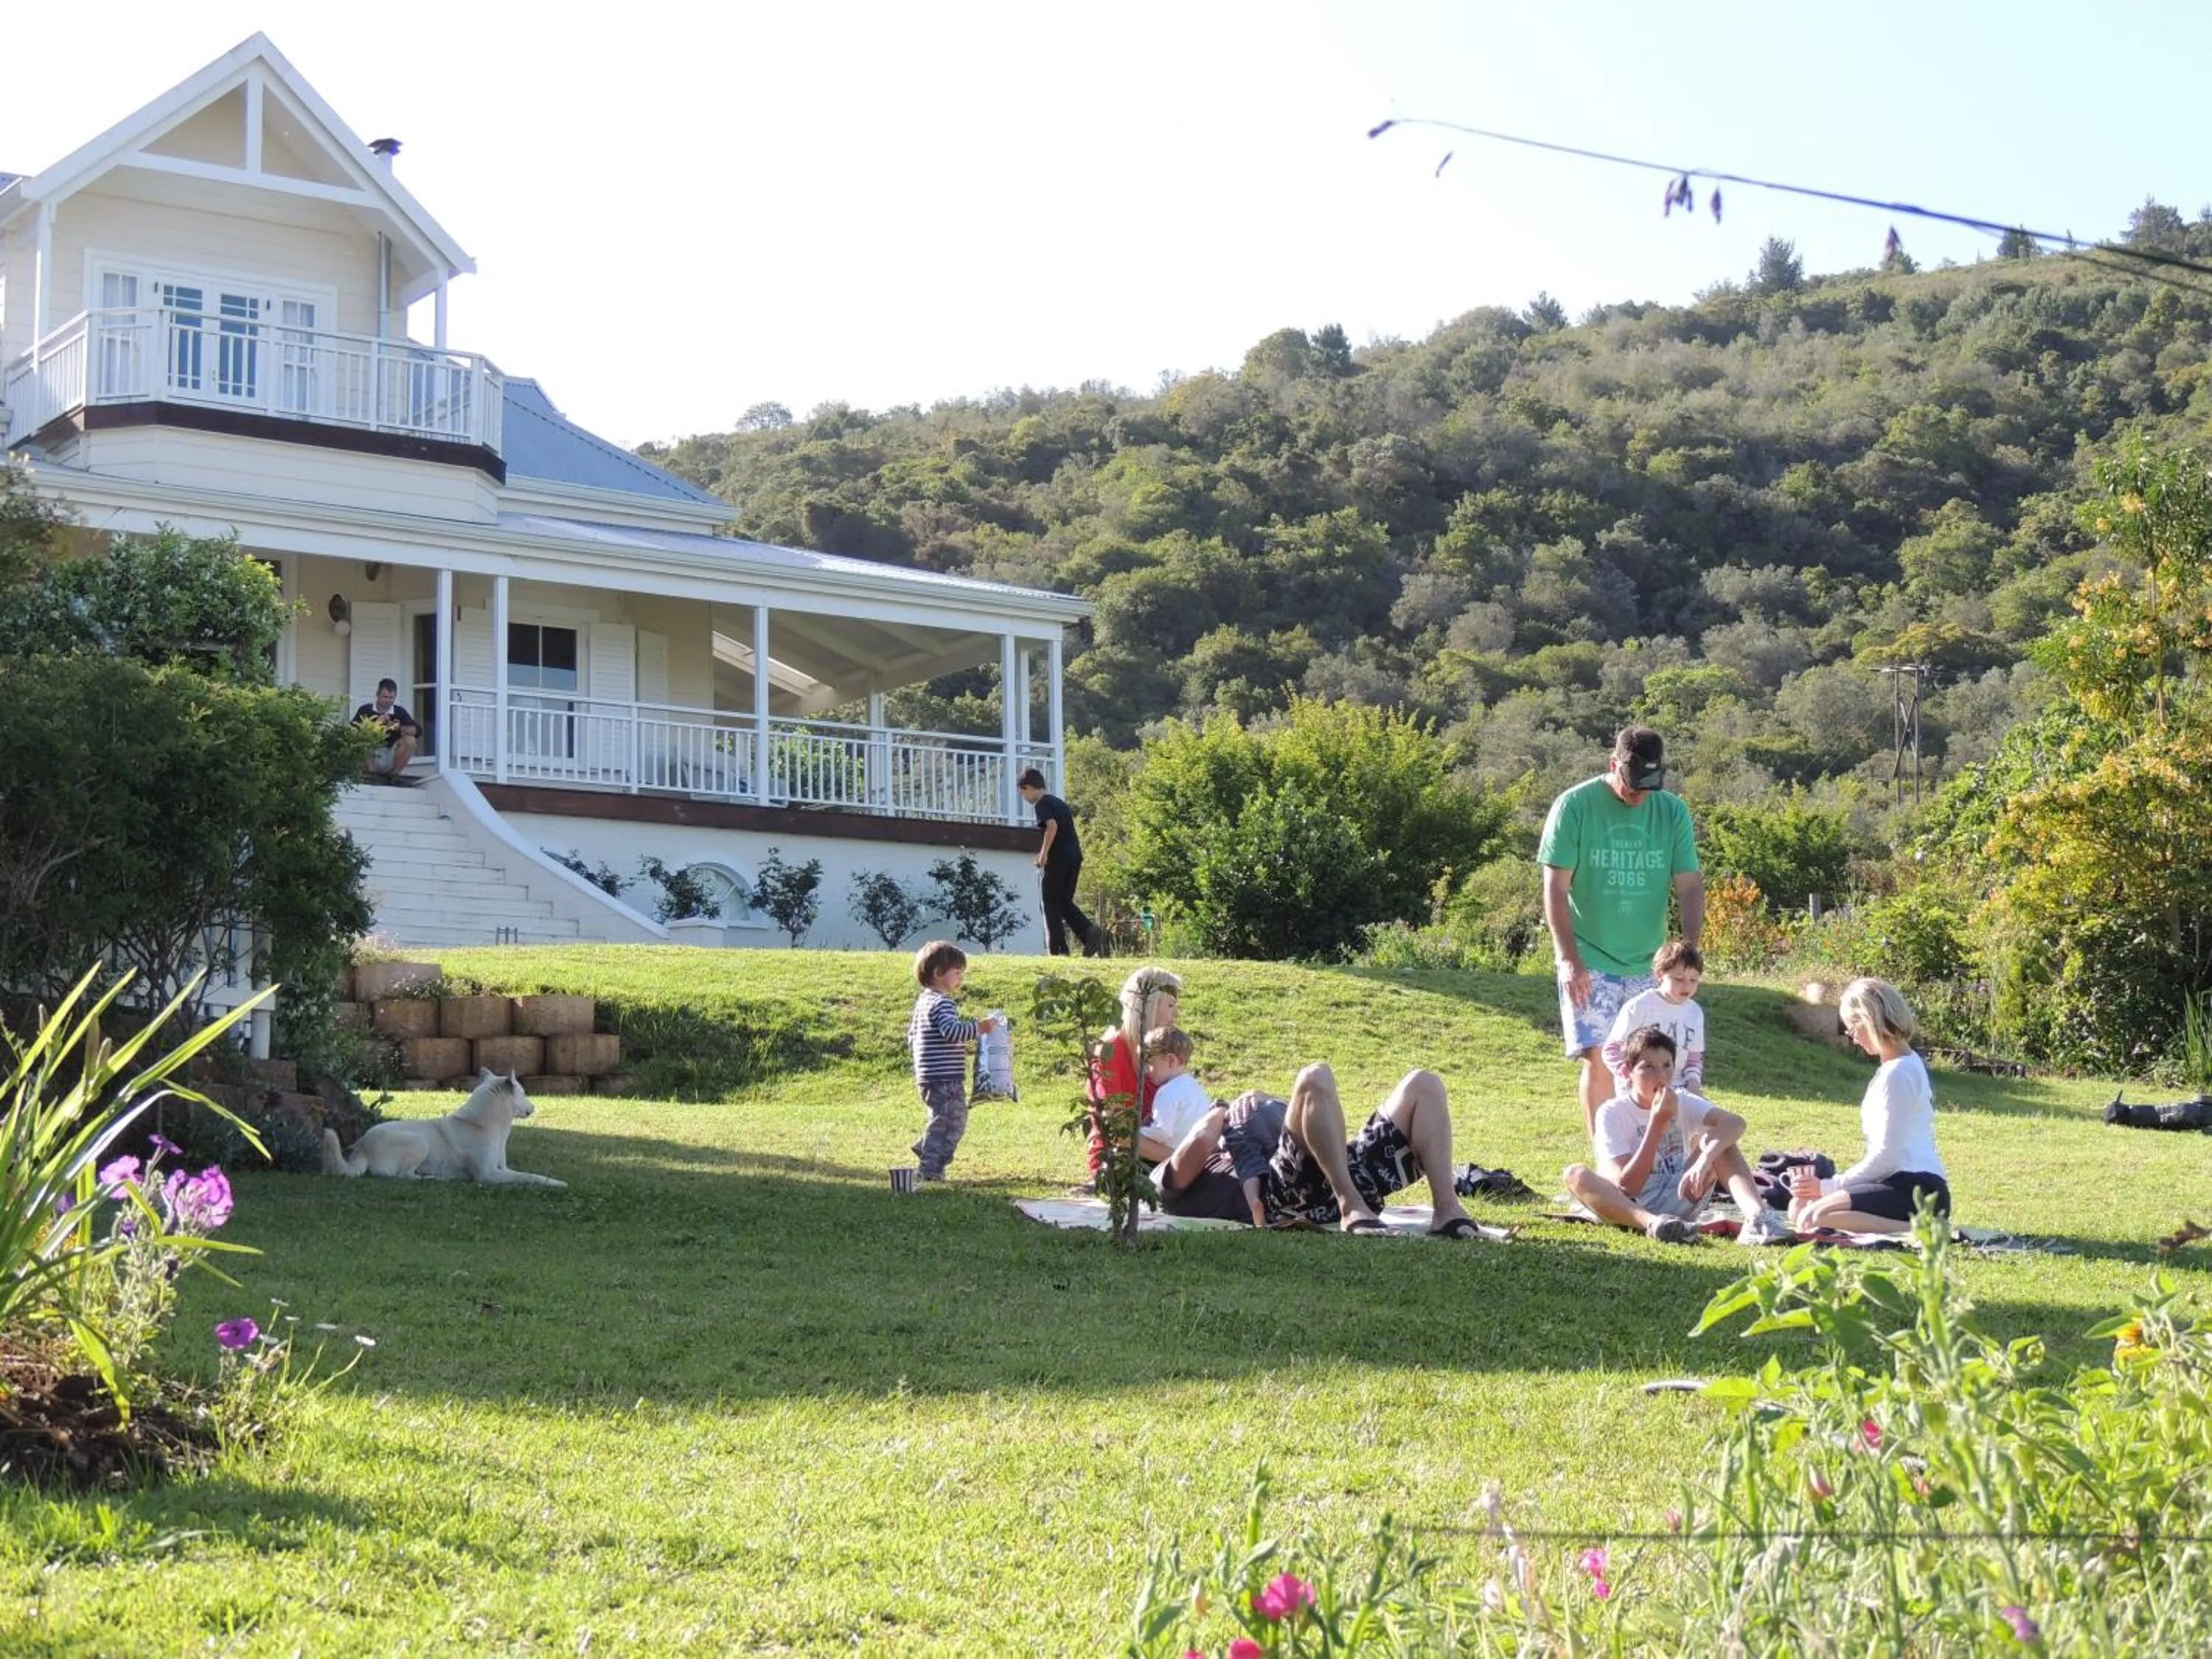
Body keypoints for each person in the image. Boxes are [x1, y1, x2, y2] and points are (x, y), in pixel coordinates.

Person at [1540, 726, 1704, 1133]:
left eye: (1649, 787)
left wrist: (1688, 954)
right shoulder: (1574, 806)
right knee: (1600, 1059)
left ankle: (1646, 1157)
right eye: (1633, 786)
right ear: (1614, 765)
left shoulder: (1671, 811)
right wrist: (1568, 959)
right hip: (1589, 956)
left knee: (1652, 1063)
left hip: (1649, 963)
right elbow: (1556, 889)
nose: (1639, 796)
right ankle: (1607, 1159)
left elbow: (1689, 884)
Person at [1152, 1063, 1487, 1239]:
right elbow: (1197, 1140)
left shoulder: (1245, 1134)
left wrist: (1257, 1100)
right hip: (1288, 1200)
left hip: (1339, 1171)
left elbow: (1306, 1112)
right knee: (1314, 1076)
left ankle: (1447, 1210)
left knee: (1423, 1083)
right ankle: (1350, 1207)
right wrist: (1221, 1109)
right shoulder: (1168, 1181)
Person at [1565, 1026, 1790, 1245]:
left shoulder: (1681, 1099)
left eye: (1667, 1066)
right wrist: (1657, 1124)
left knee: (1721, 1140)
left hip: (1680, 1191)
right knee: (1575, 1174)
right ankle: (1657, 1225)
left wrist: (1704, 1160)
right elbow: (1627, 1187)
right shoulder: (1612, 1112)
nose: (1660, 1076)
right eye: (1648, 1067)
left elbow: (1735, 1122)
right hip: (1631, 1204)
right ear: (1627, 1071)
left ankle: (1759, 1220)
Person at [1787, 978, 1949, 1235]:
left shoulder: (1899, 1073)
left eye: (1852, 1027)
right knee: (1800, 1208)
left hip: (1916, 1187)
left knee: (1811, 1215)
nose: (1852, 1037)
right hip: (1894, 1181)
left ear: (1869, 1020)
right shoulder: (1896, 1067)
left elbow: (1887, 1157)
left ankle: (1924, 1229)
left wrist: (1829, 1187)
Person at [905, 940, 1004, 1182]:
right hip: (944, 1078)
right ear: (939, 973)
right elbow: (952, 1031)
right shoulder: (942, 1003)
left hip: (930, 1075)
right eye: (958, 972)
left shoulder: (924, 1001)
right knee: (951, 1123)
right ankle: (930, 1169)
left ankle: (927, 1148)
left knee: (945, 1119)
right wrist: (979, 1028)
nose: (961, 978)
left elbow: (913, 1036)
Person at [1087, 965, 1182, 1178]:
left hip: (1162, 1154)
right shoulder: (1110, 1052)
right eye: (1171, 1004)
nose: (1176, 1013)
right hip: (1121, 1160)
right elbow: (1118, 1133)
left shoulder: (1163, 1052)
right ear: (1150, 1005)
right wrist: (1179, 1156)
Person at [1600, 940, 1707, 1093]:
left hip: (1677, 1088)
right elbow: (1611, 1050)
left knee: (1718, 1116)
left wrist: (1694, 1085)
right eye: (1679, 979)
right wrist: (1631, 1078)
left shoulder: (1695, 1013)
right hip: (1639, 1090)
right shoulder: (1639, 1006)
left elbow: (1693, 1061)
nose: (1687, 986)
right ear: (1659, 974)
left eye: (1693, 980)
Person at [1019, 767, 1102, 956]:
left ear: (1030, 787)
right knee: (1063, 902)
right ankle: (1089, 933)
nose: (1025, 798)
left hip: (1058, 860)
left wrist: (1044, 854)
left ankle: (1058, 950)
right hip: (1074, 858)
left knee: (1049, 903)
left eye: (1024, 793)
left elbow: (1052, 826)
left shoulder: (1041, 804)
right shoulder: (1060, 804)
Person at [1135, 1028, 1213, 1164]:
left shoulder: (1167, 1092)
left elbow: (1161, 1132)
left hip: (1176, 1158)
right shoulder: (1193, 1086)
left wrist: (1139, 1133)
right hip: (1200, 1154)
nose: (1147, 1071)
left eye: (1151, 1064)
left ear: (1171, 1060)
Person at [353, 678, 421, 785]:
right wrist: (375, 725)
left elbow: (417, 731)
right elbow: (353, 731)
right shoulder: (365, 710)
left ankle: (394, 776)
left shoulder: (399, 711)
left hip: (390, 755)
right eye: (385, 697)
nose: (388, 701)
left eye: (391, 698)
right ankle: (372, 776)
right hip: (370, 755)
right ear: (377, 694)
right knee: (359, 740)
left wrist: (397, 727)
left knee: (410, 740)